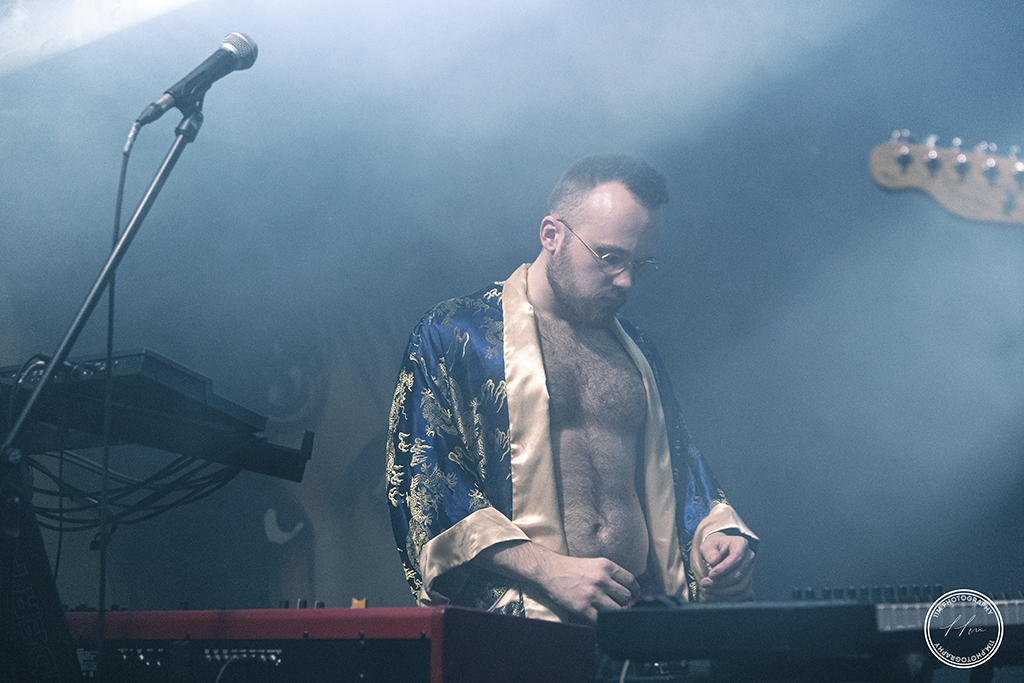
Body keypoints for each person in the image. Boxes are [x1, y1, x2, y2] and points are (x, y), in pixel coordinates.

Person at [386, 154, 757, 624]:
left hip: (640, 613)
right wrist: (552, 572)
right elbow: (427, 485)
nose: (625, 281)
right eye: (609, 257)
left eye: (640, 265)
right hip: (522, 622)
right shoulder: (457, 334)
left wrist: (718, 537)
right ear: (552, 234)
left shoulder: (637, 349)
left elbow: (681, 472)